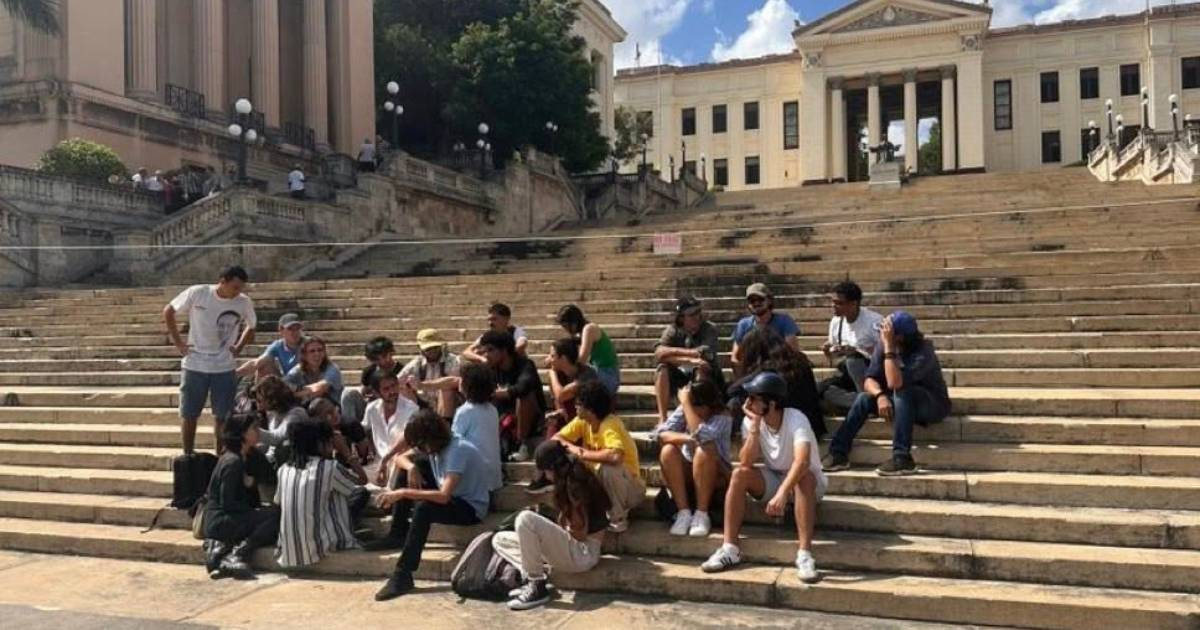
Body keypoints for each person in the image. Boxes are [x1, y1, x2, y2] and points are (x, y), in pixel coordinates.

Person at [701, 372, 825, 583]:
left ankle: (804, 554)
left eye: (754, 398)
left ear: (772, 403)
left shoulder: (796, 418)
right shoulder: (752, 422)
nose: (747, 403)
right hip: (776, 478)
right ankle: (730, 548)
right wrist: (756, 429)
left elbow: (802, 461)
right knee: (739, 474)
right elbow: (745, 461)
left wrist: (783, 493)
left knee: (805, 478)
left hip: (807, 483)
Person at [374, 410, 491, 601]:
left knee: (424, 509)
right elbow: (400, 458)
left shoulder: (457, 450)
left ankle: (403, 574)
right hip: (452, 495)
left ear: (431, 438)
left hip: (470, 507)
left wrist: (402, 493)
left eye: (421, 444)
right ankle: (397, 533)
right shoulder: (436, 446)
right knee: (408, 470)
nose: (421, 448)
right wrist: (411, 468)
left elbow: (444, 497)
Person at [822, 312, 951, 476]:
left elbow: (895, 383)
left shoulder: (923, 352)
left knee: (903, 392)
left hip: (931, 405)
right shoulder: (882, 346)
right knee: (864, 398)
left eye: (887, 332)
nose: (882, 334)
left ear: (900, 337)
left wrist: (890, 350)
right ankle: (838, 451)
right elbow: (869, 380)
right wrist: (880, 396)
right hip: (897, 402)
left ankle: (902, 457)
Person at [493, 441, 610, 611]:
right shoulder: (568, 478)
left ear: (554, 467)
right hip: (572, 549)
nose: (546, 476)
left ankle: (537, 585)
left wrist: (557, 527)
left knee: (525, 519)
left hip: (583, 553)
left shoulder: (576, 485)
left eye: (546, 471)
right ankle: (537, 576)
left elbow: (580, 534)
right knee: (500, 539)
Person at [164, 266, 256, 454]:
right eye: (234, 287)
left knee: (222, 416)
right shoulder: (199, 293)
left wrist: (238, 347)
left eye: (240, 288)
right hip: (195, 363)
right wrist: (179, 343)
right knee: (189, 413)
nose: (237, 292)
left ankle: (220, 455)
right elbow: (169, 311)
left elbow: (252, 325)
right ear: (222, 281)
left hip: (224, 365)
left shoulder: (243, 302)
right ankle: (188, 454)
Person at [275, 417, 369, 568]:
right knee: (360, 493)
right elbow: (362, 480)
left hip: (288, 549)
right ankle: (345, 533)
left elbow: (278, 502)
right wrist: (346, 453)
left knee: (328, 492)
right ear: (319, 444)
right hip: (321, 547)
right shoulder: (329, 467)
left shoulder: (283, 469)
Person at [553, 380, 643, 533]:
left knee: (609, 468)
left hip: (631, 489)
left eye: (578, 403)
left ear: (590, 409)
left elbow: (616, 456)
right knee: (570, 463)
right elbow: (557, 438)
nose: (575, 406)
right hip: (602, 484)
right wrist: (574, 450)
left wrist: (581, 453)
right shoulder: (582, 422)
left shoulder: (610, 424)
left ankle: (618, 518)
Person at [202, 413, 279, 580]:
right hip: (220, 520)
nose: (258, 432)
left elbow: (270, 477)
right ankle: (240, 552)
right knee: (274, 517)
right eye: (253, 429)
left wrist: (252, 484)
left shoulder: (250, 456)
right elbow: (227, 503)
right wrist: (254, 513)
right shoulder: (232, 462)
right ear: (242, 433)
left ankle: (224, 552)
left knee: (272, 515)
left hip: (235, 515)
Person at [651, 379, 732, 537]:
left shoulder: (723, 416)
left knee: (705, 449)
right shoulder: (686, 408)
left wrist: (687, 405)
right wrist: (687, 439)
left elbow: (702, 436)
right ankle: (684, 513)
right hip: (690, 470)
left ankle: (702, 514)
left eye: (697, 407)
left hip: (717, 473)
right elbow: (659, 434)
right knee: (668, 450)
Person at [729, 328, 826, 438]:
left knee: (735, 402)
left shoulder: (767, 369)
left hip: (789, 427)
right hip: (811, 423)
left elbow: (734, 390)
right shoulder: (798, 360)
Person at [478, 330, 546, 462]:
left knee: (525, 396)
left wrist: (504, 393)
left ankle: (522, 444)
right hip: (505, 416)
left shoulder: (525, 365)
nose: (486, 355)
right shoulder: (491, 369)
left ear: (504, 350)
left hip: (531, 418)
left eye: (490, 350)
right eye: (484, 351)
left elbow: (523, 387)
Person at [654, 296, 725, 422]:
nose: (697, 317)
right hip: (683, 372)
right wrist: (689, 359)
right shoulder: (673, 330)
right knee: (662, 369)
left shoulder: (709, 328)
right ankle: (662, 418)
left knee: (701, 368)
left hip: (709, 377)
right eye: (692, 314)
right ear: (681, 318)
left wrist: (672, 355)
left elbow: (704, 353)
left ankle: (701, 415)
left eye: (698, 312)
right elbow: (659, 353)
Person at [819, 281, 884, 413]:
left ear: (853, 303)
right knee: (822, 389)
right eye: (833, 302)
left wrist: (858, 351)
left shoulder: (874, 321)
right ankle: (863, 403)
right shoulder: (836, 322)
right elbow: (833, 356)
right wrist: (829, 351)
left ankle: (865, 400)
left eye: (839, 303)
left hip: (871, 374)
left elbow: (886, 353)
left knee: (853, 359)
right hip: (847, 374)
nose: (834, 306)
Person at [363, 372, 421, 484]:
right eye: (386, 389)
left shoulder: (411, 409)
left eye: (394, 386)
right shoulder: (372, 409)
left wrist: (386, 459)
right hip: (378, 461)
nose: (392, 391)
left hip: (399, 459)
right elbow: (366, 430)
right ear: (377, 393)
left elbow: (407, 439)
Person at [452, 363, 502, 492]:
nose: (458, 381)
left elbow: (454, 443)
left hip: (475, 478)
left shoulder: (465, 411)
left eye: (461, 378)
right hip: (493, 477)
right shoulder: (492, 409)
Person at [730, 283, 799, 377]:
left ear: (769, 301)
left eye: (760, 299)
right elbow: (736, 358)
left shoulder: (784, 321)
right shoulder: (744, 324)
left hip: (779, 372)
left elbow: (793, 352)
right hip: (752, 373)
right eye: (752, 301)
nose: (756, 303)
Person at [555, 304, 620, 395]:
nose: (566, 330)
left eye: (566, 326)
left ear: (574, 323)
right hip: (600, 373)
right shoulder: (582, 333)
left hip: (607, 376)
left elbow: (581, 360)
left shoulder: (589, 329)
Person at [399, 329, 462, 418]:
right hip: (424, 404)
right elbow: (398, 380)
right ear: (420, 349)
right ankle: (415, 420)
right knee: (403, 388)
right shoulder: (417, 363)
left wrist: (422, 385)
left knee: (446, 390)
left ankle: (445, 424)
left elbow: (455, 380)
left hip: (449, 406)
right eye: (428, 349)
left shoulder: (452, 360)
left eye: (435, 347)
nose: (433, 351)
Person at [342, 336, 404, 425]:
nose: (380, 361)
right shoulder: (369, 371)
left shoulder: (401, 370)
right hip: (371, 409)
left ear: (391, 353)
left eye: (383, 356)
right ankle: (352, 428)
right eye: (375, 359)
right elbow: (363, 392)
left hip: (394, 409)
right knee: (348, 393)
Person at [306, 397, 370, 476]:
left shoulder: (351, 425)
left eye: (333, 409)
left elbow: (365, 455)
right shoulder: (315, 436)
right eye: (327, 414)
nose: (334, 414)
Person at [255, 375, 310, 466]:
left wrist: (253, 430)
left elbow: (277, 438)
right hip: (272, 458)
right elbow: (270, 445)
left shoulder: (296, 414)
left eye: (260, 400)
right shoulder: (272, 413)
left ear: (273, 399)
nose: (258, 404)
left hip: (290, 460)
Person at [546, 337, 599, 424]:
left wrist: (552, 373)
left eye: (552, 356)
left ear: (563, 358)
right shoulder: (559, 374)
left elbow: (561, 395)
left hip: (587, 420)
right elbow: (556, 399)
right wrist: (559, 411)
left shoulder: (587, 375)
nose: (549, 359)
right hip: (567, 419)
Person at [284, 336, 344, 407]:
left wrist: (295, 393)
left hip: (332, 407)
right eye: (312, 351)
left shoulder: (332, 369)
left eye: (320, 350)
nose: (317, 354)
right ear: (304, 355)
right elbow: (283, 385)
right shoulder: (297, 370)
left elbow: (319, 389)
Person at [239, 313, 303, 378]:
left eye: (297, 329)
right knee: (265, 366)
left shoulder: (309, 344)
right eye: (290, 329)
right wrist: (236, 373)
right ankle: (258, 388)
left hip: (308, 383)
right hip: (288, 381)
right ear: (281, 330)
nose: (295, 332)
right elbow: (257, 363)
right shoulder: (278, 346)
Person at [462, 303, 529, 362]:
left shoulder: (515, 331)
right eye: (489, 320)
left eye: (494, 319)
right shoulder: (487, 335)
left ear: (506, 319)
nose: (490, 323)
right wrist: (482, 359)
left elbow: (521, 345)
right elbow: (466, 352)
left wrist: (499, 356)